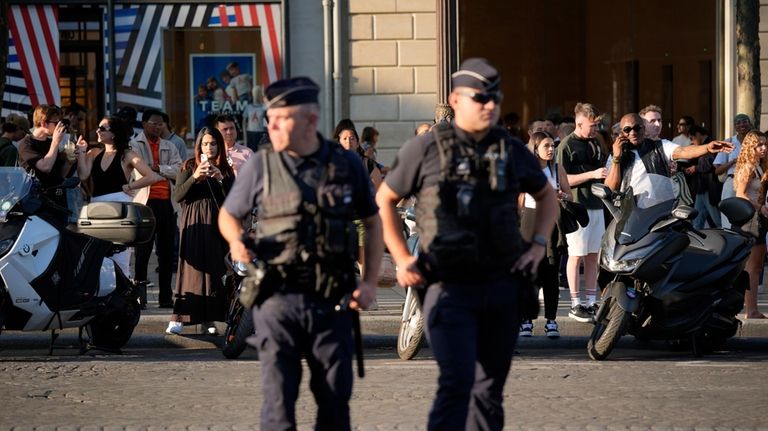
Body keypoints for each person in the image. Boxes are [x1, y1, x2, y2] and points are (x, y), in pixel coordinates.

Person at [376, 58, 557, 430]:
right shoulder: (425, 149)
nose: (490, 105)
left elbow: (547, 195)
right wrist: (400, 257)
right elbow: (385, 200)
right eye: (480, 98)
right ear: (455, 99)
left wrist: (538, 245)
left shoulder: (509, 149)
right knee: (457, 383)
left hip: (501, 286)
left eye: (495, 97)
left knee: (489, 392)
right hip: (447, 287)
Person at [218, 76, 382, 430]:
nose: (270, 124)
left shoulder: (346, 164)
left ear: (310, 119)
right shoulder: (262, 165)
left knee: (335, 403)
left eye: (281, 117)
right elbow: (228, 214)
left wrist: (368, 282)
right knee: (278, 406)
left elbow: (372, 221)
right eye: (269, 117)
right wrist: (236, 241)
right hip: (278, 301)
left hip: (333, 301)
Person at [74, 117, 162, 281]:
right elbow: (83, 174)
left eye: (103, 128)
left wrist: (130, 186)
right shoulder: (94, 152)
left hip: (119, 207)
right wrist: (80, 153)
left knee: (120, 256)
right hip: (97, 207)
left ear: (114, 133)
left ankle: (124, 295)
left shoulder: (127, 154)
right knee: (97, 254)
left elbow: (151, 176)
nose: (98, 131)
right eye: (98, 127)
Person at [166, 127, 235, 335]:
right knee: (191, 272)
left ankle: (209, 319)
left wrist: (220, 178)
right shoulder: (188, 165)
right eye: (205, 143)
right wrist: (195, 176)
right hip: (194, 221)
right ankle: (179, 317)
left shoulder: (225, 169)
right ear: (199, 146)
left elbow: (233, 199)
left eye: (213, 143)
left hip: (218, 223)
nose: (209, 147)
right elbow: (178, 196)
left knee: (215, 271)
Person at [556, 102, 607, 322]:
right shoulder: (566, 145)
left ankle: (591, 301)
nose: (596, 129)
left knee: (593, 255)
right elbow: (562, 179)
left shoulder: (596, 143)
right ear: (579, 123)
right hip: (577, 206)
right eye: (592, 125)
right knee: (576, 255)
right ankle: (575, 303)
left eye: (597, 125)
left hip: (596, 204)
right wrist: (593, 174)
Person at [604, 113, 732, 200]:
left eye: (637, 128)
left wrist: (707, 148)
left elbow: (684, 151)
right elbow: (610, 187)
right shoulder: (616, 155)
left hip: (658, 211)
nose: (633, 133)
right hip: (630, 215)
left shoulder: (659, 146)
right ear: (621, 132)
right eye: (627, 129)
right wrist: (617, 158)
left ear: (643, 129)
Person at [519, 131, 571, 338]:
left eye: (552, 146)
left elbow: (569, 194)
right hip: (530, 221)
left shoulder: (557, 170)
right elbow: (518, 201)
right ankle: (526, 320)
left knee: (551, 274)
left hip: (551, 221)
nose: (551, 150)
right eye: (546, 146)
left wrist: (562, 195)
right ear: (535, 149)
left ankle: (551, 320)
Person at [131, 109, 183, 308]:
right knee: (142, 251)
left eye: (160, 124)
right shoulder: (134, 145)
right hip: (145, 203)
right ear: (144, 124)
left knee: (167, 251)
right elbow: (138, 170)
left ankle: (165, 297)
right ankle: (140, 296)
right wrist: (160, 170)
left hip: (167, 203)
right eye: (153, 123)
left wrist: (157, 168)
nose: (157, 127)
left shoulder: (169, 145)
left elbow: (179, 170)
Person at [18, 104, 74, 225]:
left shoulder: (51, 143)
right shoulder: (26, 144)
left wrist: (70, 160)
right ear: (44, 123)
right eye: (57, 122)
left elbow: (60, 174)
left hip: (59, 201)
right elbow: (45, 167)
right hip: (39, 203)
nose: (61, 126)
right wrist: (55, 142)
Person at [733, 130, 768, 319]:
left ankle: (752, 308)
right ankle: (750, 309)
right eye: (759, 145)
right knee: (752, 267)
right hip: (750, 219)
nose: (763, 148)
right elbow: (740, 194)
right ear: (750, 147)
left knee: (757, 266)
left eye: (764, 144)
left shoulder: (758, 166)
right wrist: (759, 207)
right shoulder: (748, 166)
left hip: (759, 218)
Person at [714, 114, 752, 228]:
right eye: (738, 123)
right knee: (727, 215)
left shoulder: (755, 141)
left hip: (750, 182)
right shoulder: (729, 142)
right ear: (735, 127)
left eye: (744, 121)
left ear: (750, 124)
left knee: (749, 214)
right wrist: (733, 161)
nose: (742, 125)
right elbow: (717, 171)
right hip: (732, 182)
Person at [689, 125, 722, 228]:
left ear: (698, 135)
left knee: (718, 221)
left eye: (692, 138)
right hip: (702, 187)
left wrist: (696, 168)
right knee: (697, 222)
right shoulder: (706, 145)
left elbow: (710, 164)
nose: (692, 142)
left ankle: (729, 239)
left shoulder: (710, 145)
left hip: (709, 187)